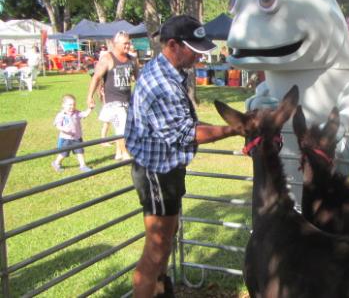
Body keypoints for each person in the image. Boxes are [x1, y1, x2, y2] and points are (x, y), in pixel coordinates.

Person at [125, 15, 234, 298]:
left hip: (165, 168)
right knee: (156, 248)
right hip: (156, 171)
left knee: (165, 241)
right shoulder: (161, 83)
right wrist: (236, 128)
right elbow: (184, 133)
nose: (199, 56)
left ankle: (161, 290)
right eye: (194, 49)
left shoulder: (171, 73)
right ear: (172, 45)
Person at [86, 31, 138, 160]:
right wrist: (90, 97)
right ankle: (125, 153)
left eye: (129, 43)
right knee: (121, 125)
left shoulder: (132, 59)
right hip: (113, 101)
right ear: (116, 43)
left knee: (122, 125)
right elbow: (96, 77)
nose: (128, 46)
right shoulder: (107, 58)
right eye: (125, 43)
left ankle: (118, 152)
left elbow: (138, 78)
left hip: (127, 100)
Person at [52, 94, 93, 172]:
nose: (72, 107)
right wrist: (64, 129)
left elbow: (84, 114)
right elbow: (57, 125)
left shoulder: (76, 113)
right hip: (66, 139)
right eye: (70, 105)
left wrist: (90, 108)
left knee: (80, 151)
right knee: (63, 153)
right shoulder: (61, 115)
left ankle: (83, 166)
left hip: (77, 138)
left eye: (74, 104)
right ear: (63, 105)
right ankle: (56, 163)